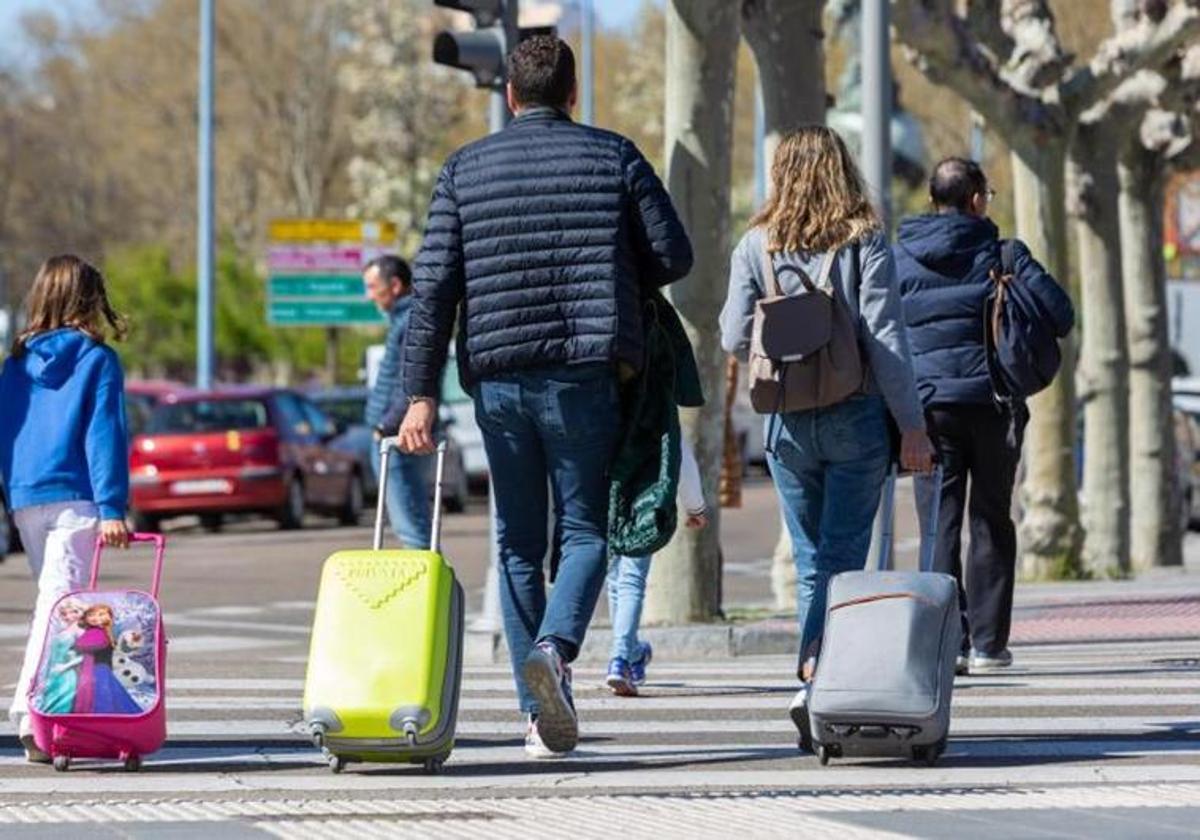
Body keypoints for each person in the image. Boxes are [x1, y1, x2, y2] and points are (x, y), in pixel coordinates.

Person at [396, 35, 692, 758]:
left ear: (509, 96)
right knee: (589, 529)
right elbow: (674, 254)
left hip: (496, 381)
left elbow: (432, 291)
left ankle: (537, 715)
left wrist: (417, 396)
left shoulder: (464, 169)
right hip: (586, 372)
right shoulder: (613, 154)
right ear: (571, 93)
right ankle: (556, 651)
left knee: (517, 543)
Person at [719, 126, 935, 745]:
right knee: (843, 558)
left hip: (786, 423)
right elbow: (885, 337)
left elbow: (734, 336)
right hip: (856, 415)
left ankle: (815, 677)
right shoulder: (863, 239)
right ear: (843, 170)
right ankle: (815, 673)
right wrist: (912, 426)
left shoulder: (755, 245)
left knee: (813, 561)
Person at [894, 157, 1074, 675]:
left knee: (938, 523)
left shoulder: (900, 257)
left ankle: (943, 641)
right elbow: (1061, 315)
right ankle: (989, 646)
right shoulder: (1005, 253)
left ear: (933, 199)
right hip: (995, 406)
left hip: (927, 411)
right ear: (975, 199)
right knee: (991, 519)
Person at [0, 255, 131, 763]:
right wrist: (113, 505)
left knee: (57, 607)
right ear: (91, 300)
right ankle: (30, 717)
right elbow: (104, 436)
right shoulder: (96, 360)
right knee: (58, 608)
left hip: (26, 496)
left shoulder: (14, 364)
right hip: (75, 495)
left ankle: (52, 717)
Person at [605, 439, 708, 697]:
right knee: (628, 579)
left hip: (610, 497)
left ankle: (626, 655)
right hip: (646, 501)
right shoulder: (657, 401)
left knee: (618, 579)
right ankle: (625, 655)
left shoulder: (602, 401)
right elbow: (679, 451)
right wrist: (695, 505)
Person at [363, 254, 432, 549]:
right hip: (396, 433)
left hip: (398, 437)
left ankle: (427, 594)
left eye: (371, 286)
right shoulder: (404, 321)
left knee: (412, 532)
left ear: (394, 285)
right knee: (414, 528)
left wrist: (385, 426)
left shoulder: (410, 323)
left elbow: (411, 381)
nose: (369, 296)